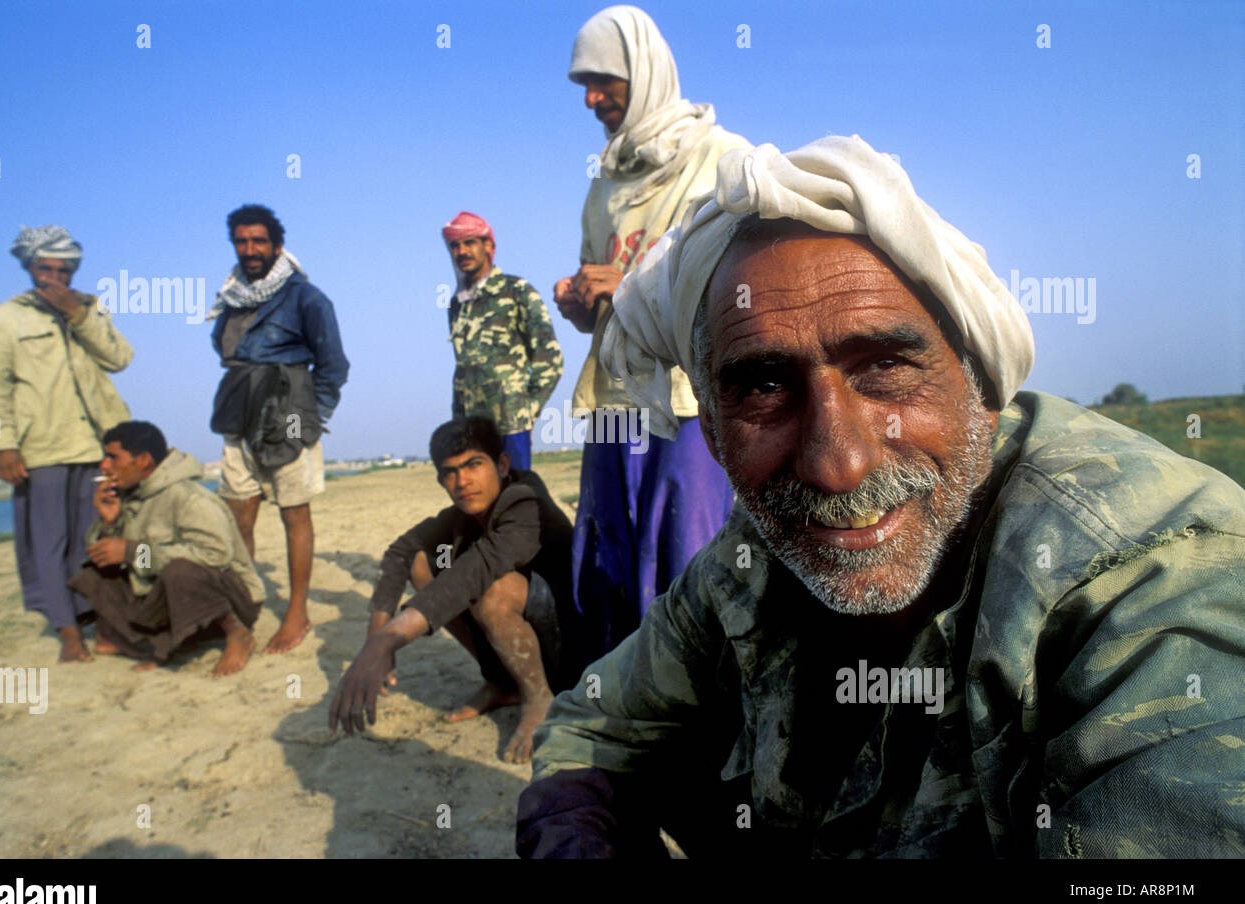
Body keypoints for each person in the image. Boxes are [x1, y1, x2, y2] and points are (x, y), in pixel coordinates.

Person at [517, 136, 1245, 858]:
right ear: (708, 431)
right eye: (766, 385)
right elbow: (590, 726)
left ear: (982, 389)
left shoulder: (1147, 580)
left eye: (887, 366)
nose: (838, 466)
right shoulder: (749, 560)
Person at [554, 5, 752, 652]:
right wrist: (585, 301)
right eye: (583, 83)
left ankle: (696, 712)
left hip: (684, 396)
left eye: (604, 80)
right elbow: (605, 278)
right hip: (614, 395)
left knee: (684, 548)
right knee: (611, 545)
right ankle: (621, 699)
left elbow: (739, 281)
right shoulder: (603, 184)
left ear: (644, 71)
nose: (591, 98)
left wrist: (633, 285)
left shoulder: (722, 159)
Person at [330, 416, 594, 764]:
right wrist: (376, 633)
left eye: (473, 465)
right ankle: (501, 683)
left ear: (501, 465)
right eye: (450, 472)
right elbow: (400, 551)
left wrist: (388, 639)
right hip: (522, 640)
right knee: (422, 563)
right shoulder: (462, 516)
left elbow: (476, 570)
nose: (462, 481)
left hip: (577, 646)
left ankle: (539, 698)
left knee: (492, 589)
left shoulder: (525, 501)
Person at [0, 225, 133, 664]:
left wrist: (78, 315)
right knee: (47, 544)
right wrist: (0, 445)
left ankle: (101, 624)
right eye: (46, 269)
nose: (55, 278)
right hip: (41, 450)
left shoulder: (90, 309)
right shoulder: (4, 318)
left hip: (96, 445)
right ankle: (67, 634)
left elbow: (119, 358)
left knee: (96, 537)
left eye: (64, 270)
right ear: (29, 268)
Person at [207, 204, 349, 654]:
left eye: (259, 241)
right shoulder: (231, 297)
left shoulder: (306, 297)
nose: (250, 250)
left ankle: (297, 613)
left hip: (289, 410)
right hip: (239, 415)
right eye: (242, 242)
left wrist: (312, 415)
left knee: (294, 514)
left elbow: (334, 364)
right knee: (237, 516)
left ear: (277, 246)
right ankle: (242, 615)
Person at [68, 421, 265, 677]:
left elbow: (213, 556)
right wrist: (110, 523)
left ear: (143, 461)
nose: (104, 466)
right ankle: (157, 642)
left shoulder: (188, 497)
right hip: (172, 600)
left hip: (230, 602)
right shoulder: (130, 494)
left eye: (113, 457)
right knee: (93, 573)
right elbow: (113, 554)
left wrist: (132, 552)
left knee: (181, 571)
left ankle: (237, 633)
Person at [442, 211, 564, 471]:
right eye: (455, 245)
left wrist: (528, 411)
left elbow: (551, 359)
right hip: (471, 430)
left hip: (511, 426)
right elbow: (462, 367)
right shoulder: (457, 304)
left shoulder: (517, 290)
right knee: (478, 506)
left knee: (516, 497)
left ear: (488, 245)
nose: (461, 250)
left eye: (469, 242)